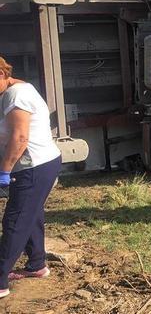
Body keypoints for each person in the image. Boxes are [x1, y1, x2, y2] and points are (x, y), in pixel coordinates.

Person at [0, 56, 62, 298]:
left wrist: (4, 171)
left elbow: (20, 138)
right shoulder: (10, 92)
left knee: (14, 221)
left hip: (34, 166)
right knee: (30, 213)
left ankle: (1, 280)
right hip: (35, 165)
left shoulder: (17, 95)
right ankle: (37, 264)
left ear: (4, 73)